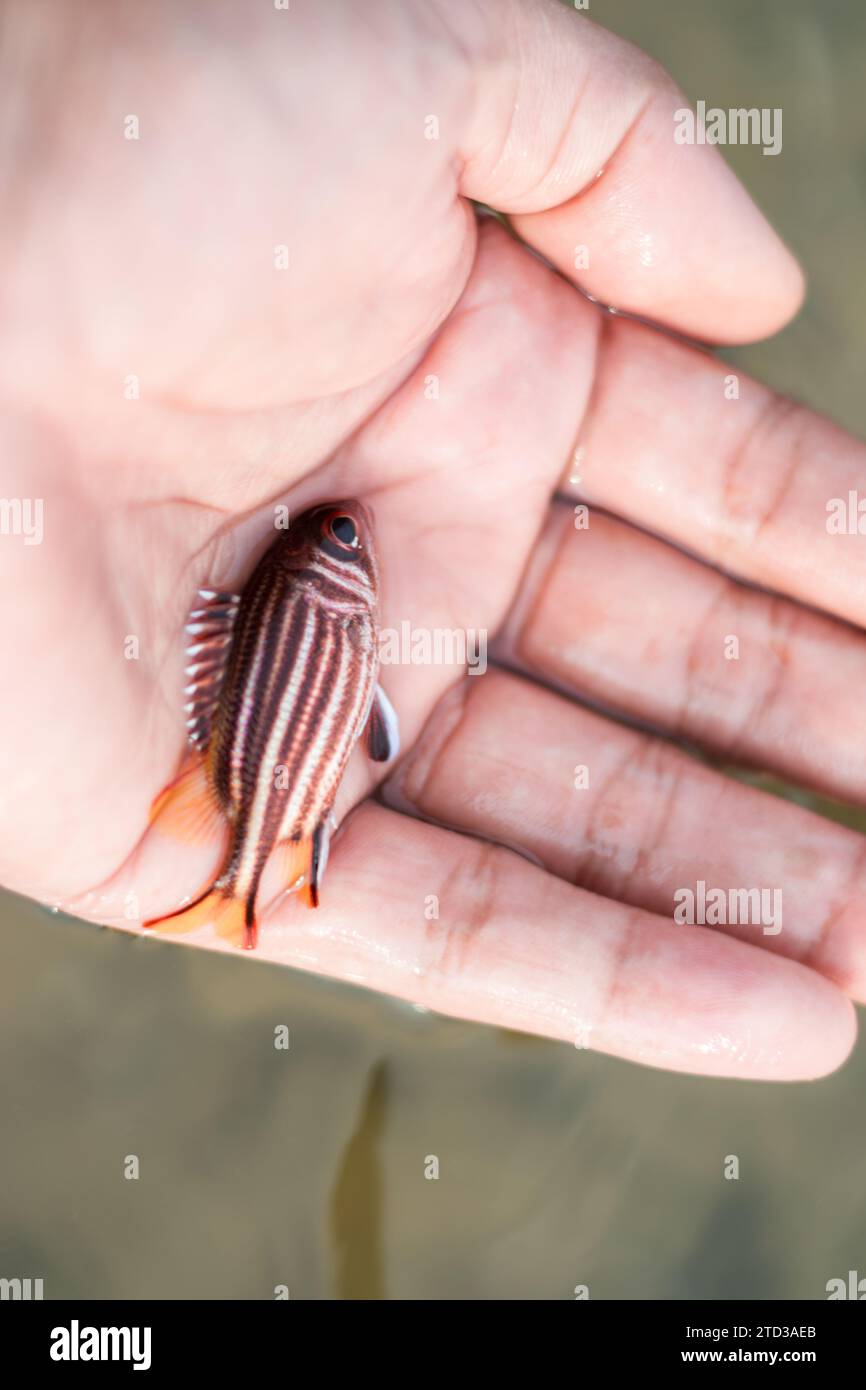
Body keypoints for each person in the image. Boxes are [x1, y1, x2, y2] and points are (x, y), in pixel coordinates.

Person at [1, 0, 862, 1080]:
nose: (354, 545)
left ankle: (238, 882)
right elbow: (336, 699)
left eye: (342, 537)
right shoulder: (325, 612)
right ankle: (242, 882)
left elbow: (325, 691)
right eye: (346, 540)